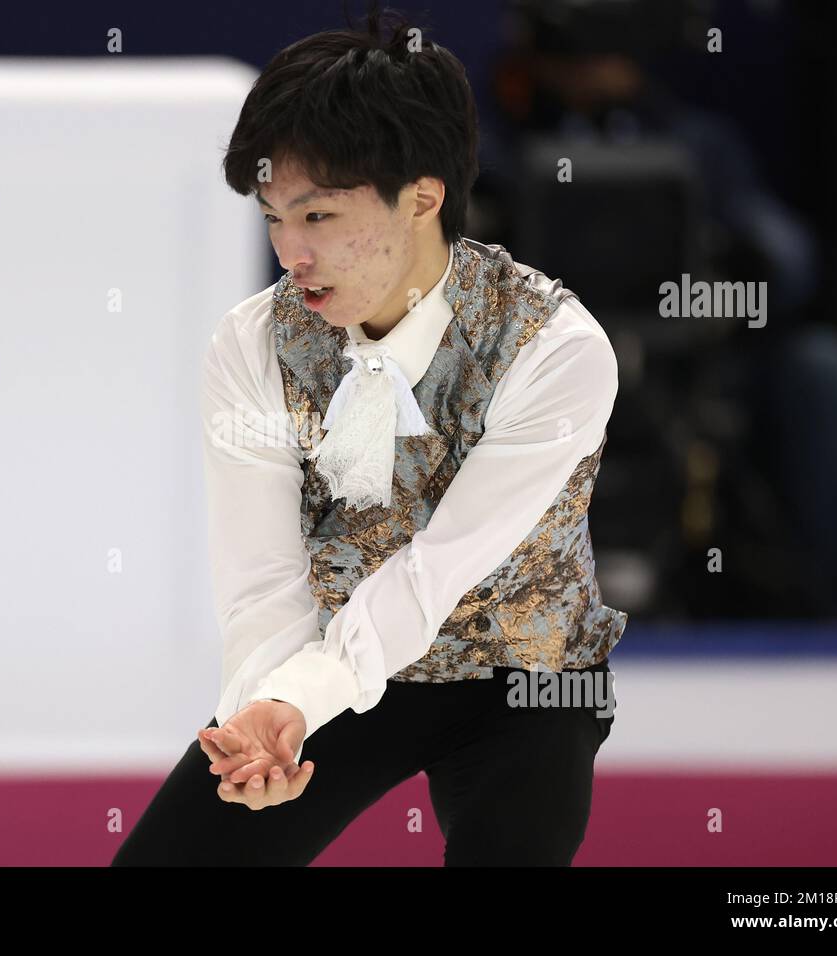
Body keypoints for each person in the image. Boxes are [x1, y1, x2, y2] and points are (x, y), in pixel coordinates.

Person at [112, 8, 624, 867]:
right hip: (336, 660)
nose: (289, 253)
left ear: (422, 197)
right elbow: (263, 582)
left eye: (317, 218)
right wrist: (264, 720)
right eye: (274, 217)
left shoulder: (555, 350)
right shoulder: (252, 347)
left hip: (525, 677)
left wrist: (300, 698)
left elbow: (437, 572)